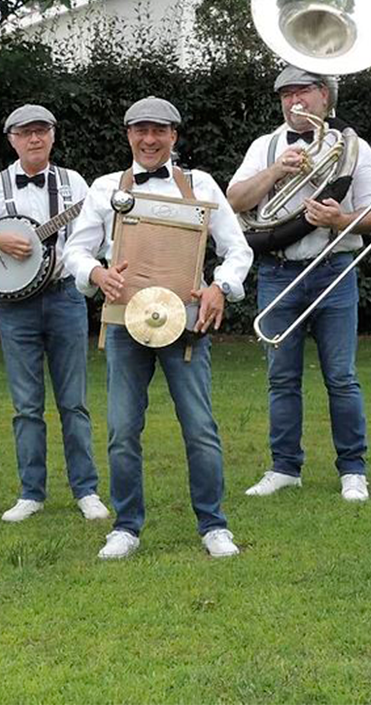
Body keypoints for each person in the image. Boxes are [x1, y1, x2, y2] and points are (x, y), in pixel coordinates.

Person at [62, 96, 254, 559]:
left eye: (159, 131)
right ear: (128, 135)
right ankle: (126, 527)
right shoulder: (106, 187)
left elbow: (239, 250)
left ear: (174, 136)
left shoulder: (202, 184)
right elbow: (76, 251)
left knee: (200, 427)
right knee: (122, 429)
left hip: (186, 325)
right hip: (127, 323)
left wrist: (219, 288)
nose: (150, 140)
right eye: (140, 131)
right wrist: (97, 274)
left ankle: (213, 525)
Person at [227, 66, 371, 504]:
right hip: (279, 271)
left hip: (333, 268)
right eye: (285, 94)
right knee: (281, 377)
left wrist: (338, 220)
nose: (294, 101)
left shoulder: (355, 147)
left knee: (341, 376)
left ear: (324, 96)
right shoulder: (267, 146)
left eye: (303, 92)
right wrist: (277, 171)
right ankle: (284, 468)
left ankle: (353, 470)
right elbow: (235, 201)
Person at [0, 105, 109, 524]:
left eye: (42, 131)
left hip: (64, 298)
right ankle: (31, 493)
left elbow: (100, 230)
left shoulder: (75, 184)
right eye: (25, 133)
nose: (34, 139)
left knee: (74, 402)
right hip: (14, 307)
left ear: (53, 136)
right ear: (12, 139)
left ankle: (86, 491)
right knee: (26, 405)